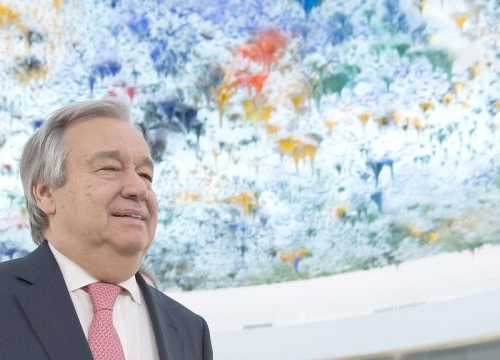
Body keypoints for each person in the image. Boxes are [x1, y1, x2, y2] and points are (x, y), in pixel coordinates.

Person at [0, 98, 213, 359]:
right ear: (46, 194)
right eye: (110, 168)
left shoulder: (190, 330)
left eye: (145, 175)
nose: (138, 189)